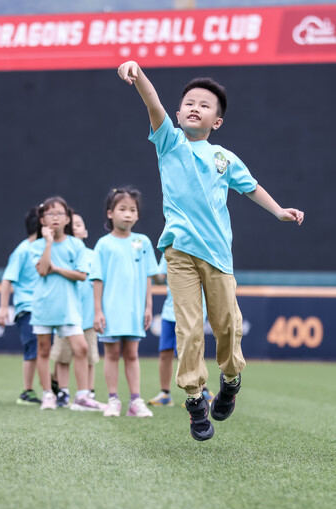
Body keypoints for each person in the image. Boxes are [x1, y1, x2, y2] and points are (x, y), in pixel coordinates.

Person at [118, 61, 304, 441]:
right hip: (179, 252)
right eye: (188, 102)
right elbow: (151, 102)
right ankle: (194, 398)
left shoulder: (225, 158)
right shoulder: (169, 141)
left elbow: (251, 187)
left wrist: (280, 211)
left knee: (227, 327)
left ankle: (231, 379)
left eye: (204, 105)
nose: (194, 108)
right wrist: (137, 75)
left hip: (218, 256)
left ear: (216, 122)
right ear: (177, 112)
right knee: (188, 330)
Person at [30, 196, 105, 412]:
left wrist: (58, 269)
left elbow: (81, 275)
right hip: (44, 307)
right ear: (43, 219)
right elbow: (43, 269)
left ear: (67, 218)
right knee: (43, 350)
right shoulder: (38, 245)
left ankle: (82, 396)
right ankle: (48, 395)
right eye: (50, 214)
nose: (55, 218)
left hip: (70, 308)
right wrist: (49, 243)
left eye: (60, 213)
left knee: (81, 348)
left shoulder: (76, 245)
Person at [91, 186, 158, 418]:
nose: (128, 214)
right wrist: (98, 310)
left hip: (134, 311)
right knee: (111, 354)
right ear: (110, 213)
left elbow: (149, 277)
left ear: (138, 215)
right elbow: (97, 279)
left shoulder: (144, 242)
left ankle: (135, 401)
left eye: (132, 210)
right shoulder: (103, 244)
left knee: (132, 354)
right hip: (110, 311)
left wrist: (148, 307)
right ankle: (112, 399)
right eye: (122, 209)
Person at [148, 254, 214, 407]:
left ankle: (202, 391)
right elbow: (159, 279)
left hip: (190, 312)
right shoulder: (168, 251)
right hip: (169, 312)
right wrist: (149, 265)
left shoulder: (196, 250)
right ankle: (165, 394)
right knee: (165, 353)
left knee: (191, 353)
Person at [50, 212, 100, 408]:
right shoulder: (59, 253)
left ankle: (88, 391)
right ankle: (62, 391)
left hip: (87, 317)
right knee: (63, 356)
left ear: (86, 232)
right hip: (66, 314)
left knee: (88, 357)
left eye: (79, 224)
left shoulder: (94, 256)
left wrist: (98, 311)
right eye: (73, 225)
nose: (75, 227)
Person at [0, 208, 41, 405]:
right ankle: (28, 391)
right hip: (28, 308)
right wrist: (4, 308)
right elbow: (7, 279)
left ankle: (53, 387)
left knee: (47, 349)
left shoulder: (46, 248)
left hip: (45, 308)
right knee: (33, 347)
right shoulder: (23, 250)